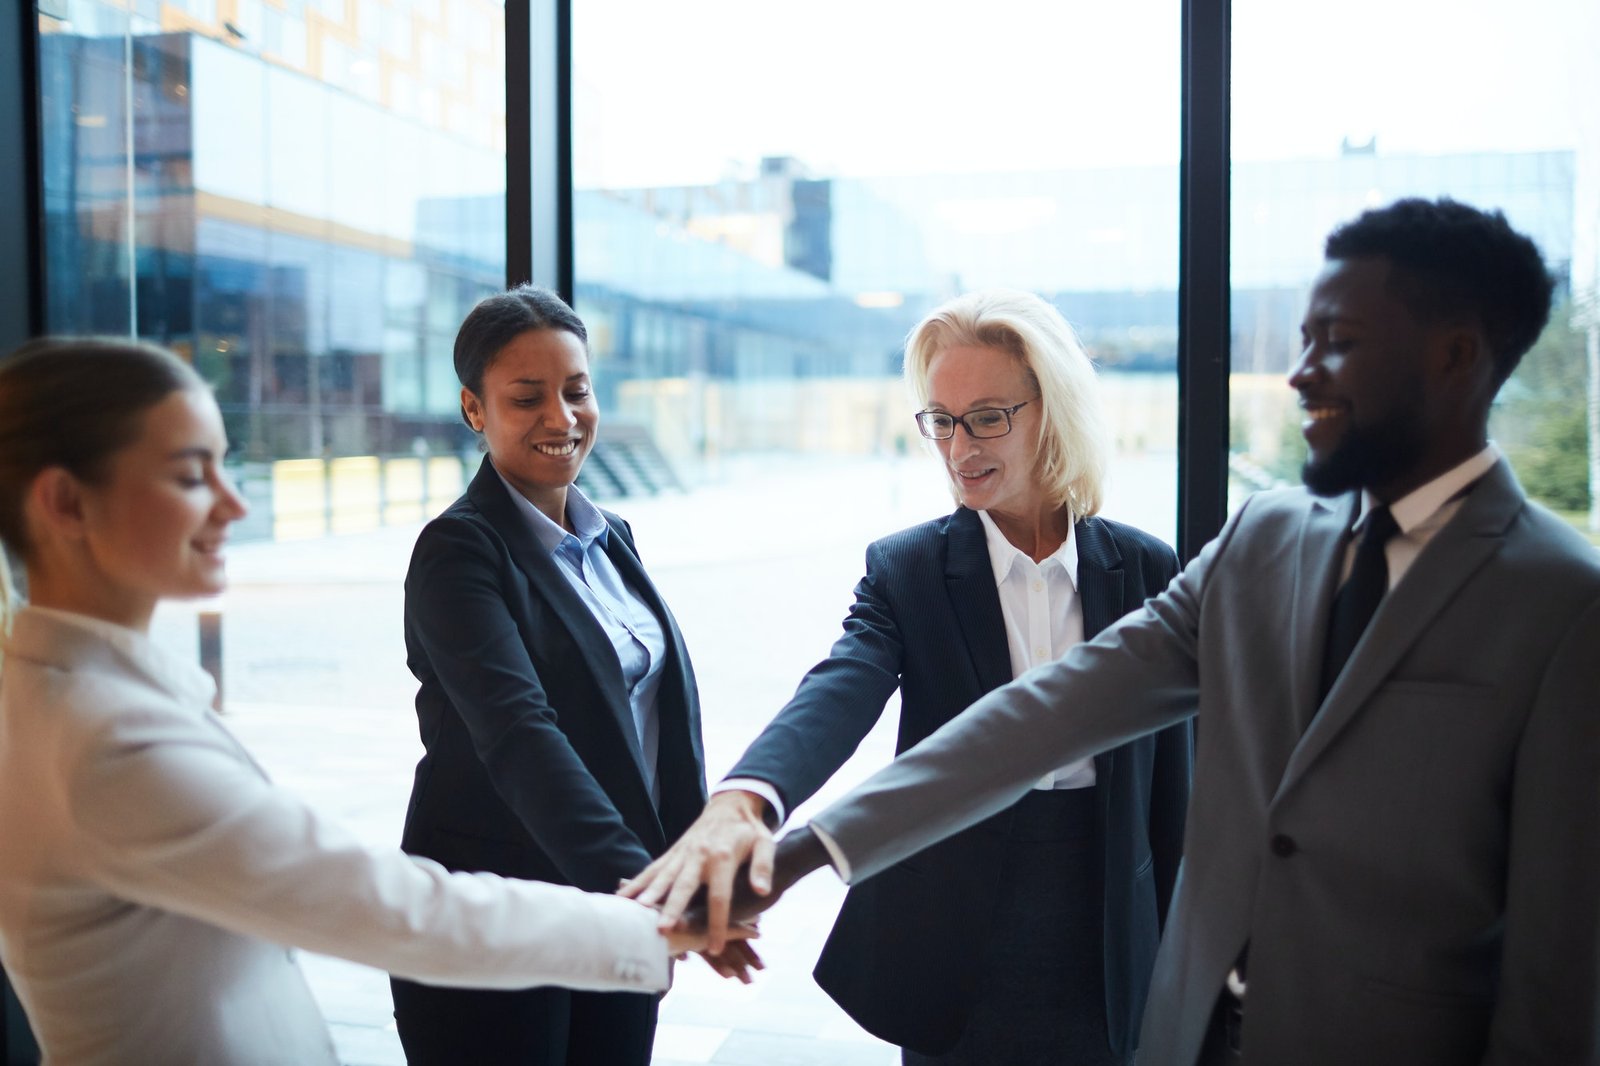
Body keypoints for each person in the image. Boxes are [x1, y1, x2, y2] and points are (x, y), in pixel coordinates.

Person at [663, 199, 1600, 1065]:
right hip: (1189, 1023)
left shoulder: (1563, 600)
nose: (1300, 371)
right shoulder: (1263, 539)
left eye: (1338, 342)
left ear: (1454, 355)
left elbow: (1559, 955)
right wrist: (782, 849)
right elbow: (1043, 714)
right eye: (1306, 337)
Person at [0, 337, 745, 1066]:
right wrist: (649, 923)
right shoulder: (107, 741)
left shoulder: (69, 696)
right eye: (193, 477)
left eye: (226, 469)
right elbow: (388, 905)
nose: (233, 505)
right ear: (66, 502)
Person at [625, 289, 1193, 1064]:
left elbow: (1175, 788)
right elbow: (839, 686)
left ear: (1050, 410)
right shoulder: (909, 569)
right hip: (954, 934)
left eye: (989, 416)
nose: (960, 448)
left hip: (1106, 921)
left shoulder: (1147, 567)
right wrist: (745, 799)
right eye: (942, 420)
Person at [390, 284, 745, 1066]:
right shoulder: (458, 552)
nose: (562, 417)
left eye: (576, 391)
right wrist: (648, 889)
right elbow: (519, 733)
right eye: (526, 397)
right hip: (498, 912)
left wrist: (685, 864)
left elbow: (651, 723)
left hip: (612, 908)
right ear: (474, 409)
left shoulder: (610, 536)